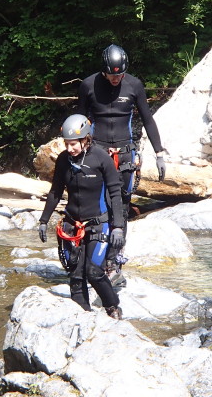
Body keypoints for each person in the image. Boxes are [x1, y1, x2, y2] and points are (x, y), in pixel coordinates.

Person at [77, 44, 166, 277]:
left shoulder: (134, 85)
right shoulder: (88, 85)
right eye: (112, 75)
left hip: (125, 153)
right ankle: (93, 252)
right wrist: (75, 155)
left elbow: (148, 120)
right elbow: (80, 121)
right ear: (104, 71)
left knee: (122, 205)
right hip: (97, 151)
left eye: (120, 75)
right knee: (98, 204)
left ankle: (115, 258)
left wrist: (159, 153)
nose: (116, 79)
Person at [37, 114, 125, 319]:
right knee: (76, 276)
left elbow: (115, 193)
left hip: (98, 224)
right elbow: (55, 192)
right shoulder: (63, 160)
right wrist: (43, 220)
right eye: (67, 144)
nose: (70, 148)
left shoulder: (101, 158)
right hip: (72, 225)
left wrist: (118, 226)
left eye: (74, 144)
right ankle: (82, 317)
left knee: (94, 272)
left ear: (86, 139)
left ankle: (113, 308)